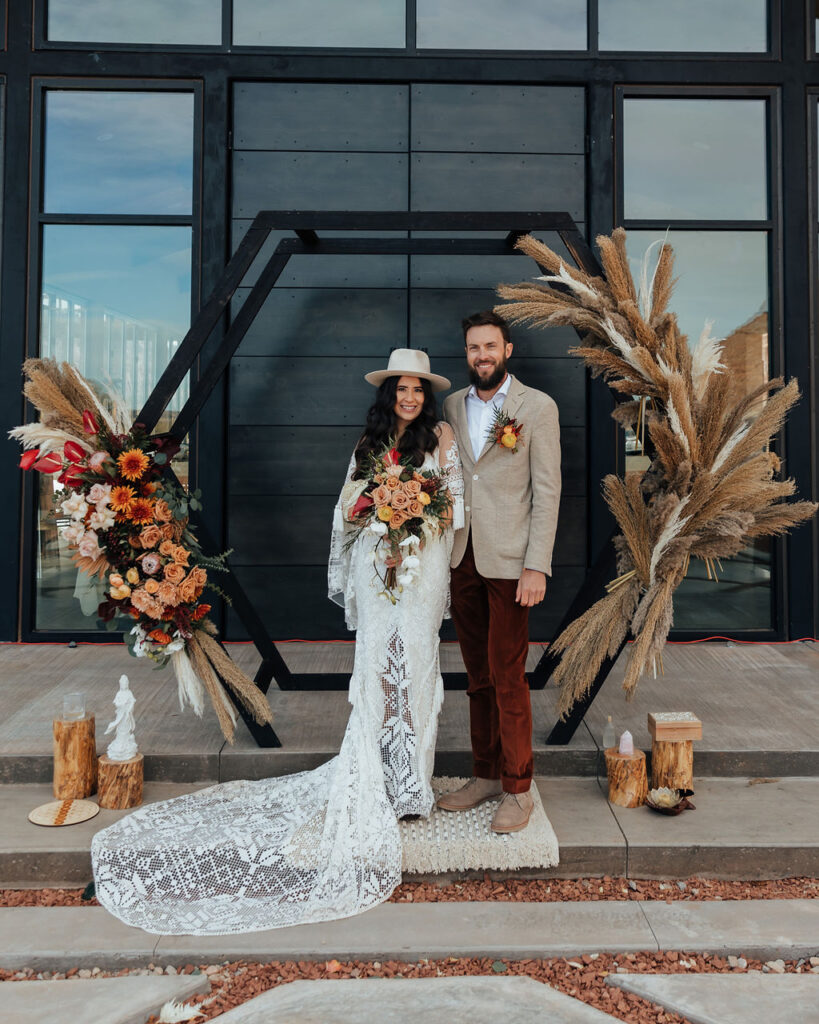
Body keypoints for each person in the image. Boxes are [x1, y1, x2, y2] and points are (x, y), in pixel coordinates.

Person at [91, 348, 463, 936]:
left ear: (427, 395)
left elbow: (454, 509)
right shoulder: (367, 445)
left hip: (422, 573)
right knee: (376, 668)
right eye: (401, 389)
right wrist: (380, 514)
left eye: (418, 389)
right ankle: (376, 777)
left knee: (415, 669)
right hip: (376, 565)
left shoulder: (441, 440)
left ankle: (411, 783)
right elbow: (344, 508)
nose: (409, 398)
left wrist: (416, 523)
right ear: (389, 393)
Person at [438, 310, 561, 834]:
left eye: (490, 346)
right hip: (461, 557)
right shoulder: (449, 405)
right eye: (473, 348)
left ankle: (518, 786)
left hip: (512, 563)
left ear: (507, 350)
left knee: (508, 675)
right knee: (477, 677)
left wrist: (537, 565)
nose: (481, 356)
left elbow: (547, 491)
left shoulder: (537, 407)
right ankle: (485, 774)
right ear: (466, 354)